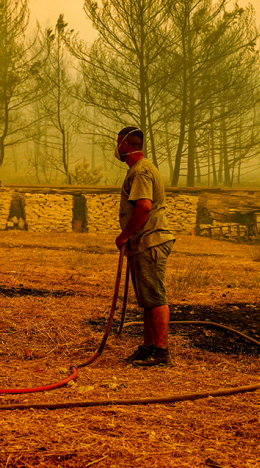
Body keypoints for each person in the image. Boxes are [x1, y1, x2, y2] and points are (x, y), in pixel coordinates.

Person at [114, 127, 176, 367]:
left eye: (118, 143)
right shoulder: (139, 170)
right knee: (147, 299)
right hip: (143, 244)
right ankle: (149, 346)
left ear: (126, 146)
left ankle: (161, 353)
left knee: (156, 298)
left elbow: (144, 207)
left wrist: (124, 235)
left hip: (151, 241)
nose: (117, 148)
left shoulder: (141, 172)